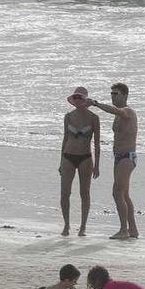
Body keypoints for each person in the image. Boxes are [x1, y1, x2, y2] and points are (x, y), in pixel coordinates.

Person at [86, 83, 138, 240]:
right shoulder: (118, 115)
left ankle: (123, 230)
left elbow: (116, 110)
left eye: (116, 94)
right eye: (111, 94)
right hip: (119, 157)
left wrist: (95, 103)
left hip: (127, 156)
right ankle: (133, 229)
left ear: (124, 95)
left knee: (117, 192)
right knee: (124, 194)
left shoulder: (127, 111)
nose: (113, 96)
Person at [59, 87, 101, 236]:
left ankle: (83, 226)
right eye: (75, 97)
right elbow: (65, 139)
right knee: (65, 193)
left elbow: (96, 143)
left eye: (80, 97)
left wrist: (97, 165)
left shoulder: (93, 118)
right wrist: (60, 161)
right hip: (68, 156)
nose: (77, 100)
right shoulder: (68, 117)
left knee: (85, 193)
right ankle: (66, 225)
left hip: (85, 157)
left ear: (86, 99)